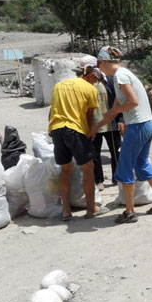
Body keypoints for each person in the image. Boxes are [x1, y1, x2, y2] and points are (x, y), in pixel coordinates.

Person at [88, 46, 152, 224]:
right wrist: (95, 128)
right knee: (141, 163)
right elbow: (113, 110)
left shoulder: (120, 76)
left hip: (137, 126)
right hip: (147, 125)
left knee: (124, 168)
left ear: (104, 62)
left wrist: (116, 111)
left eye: (99, 65)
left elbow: (133, 101)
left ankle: (129, 212)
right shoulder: (124, 75)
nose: (99, 69)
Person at [48, 57, 109, 221]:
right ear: (91, 75)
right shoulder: (89, 89)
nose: (96, 83)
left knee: (65, 170)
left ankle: (66, 212)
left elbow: (52, 110)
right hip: (75, 131)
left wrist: (51, 129)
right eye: (96, 80)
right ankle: (91, 209)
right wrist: (90, 133)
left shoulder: (59, 86)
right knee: (88, 170)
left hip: (57, 130)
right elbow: (90, 116)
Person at [85, 55, 124, 191]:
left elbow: (119, 101)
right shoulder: (84, 83)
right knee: (94, 154)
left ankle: (117, 177)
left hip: (111, 123)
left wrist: (120, 119)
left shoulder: (110, 80)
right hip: (93, 125)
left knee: (116, 151)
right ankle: (99, 180)